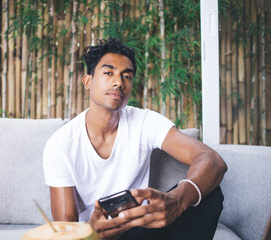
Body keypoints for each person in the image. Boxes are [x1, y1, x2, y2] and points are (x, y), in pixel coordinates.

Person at [43, 38, 227, 240]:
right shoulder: (60, 144)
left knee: (208, 194)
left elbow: (212, 160)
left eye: (127, 76)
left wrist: (178, 201)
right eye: (108, 73)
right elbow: (65, 230)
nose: (119, 82)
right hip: (96, 236)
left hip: (140, 231)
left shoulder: (144, 121)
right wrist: (91, 230)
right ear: (88, 81)